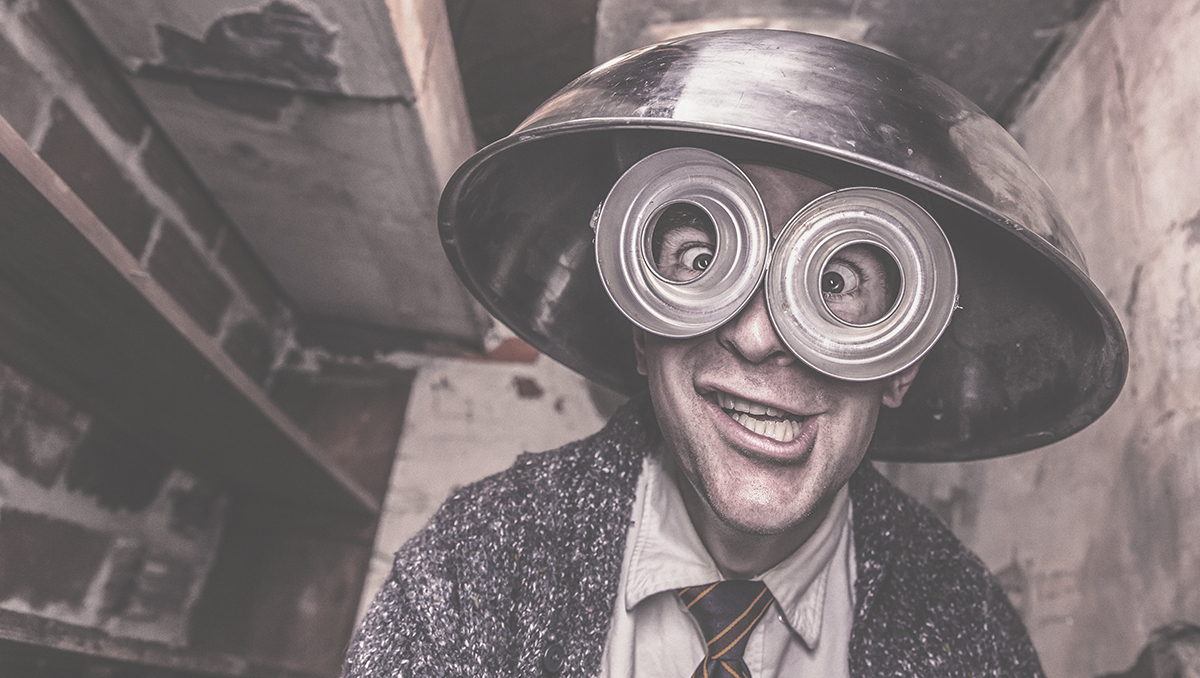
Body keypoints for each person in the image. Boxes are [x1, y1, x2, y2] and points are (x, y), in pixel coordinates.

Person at [345, 30, 1127, 677]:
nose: (758, 336)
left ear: (903, 359)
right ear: (643, 326)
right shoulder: (478, 562)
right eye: (700, 260)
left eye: (836, 280)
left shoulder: (973, 641)